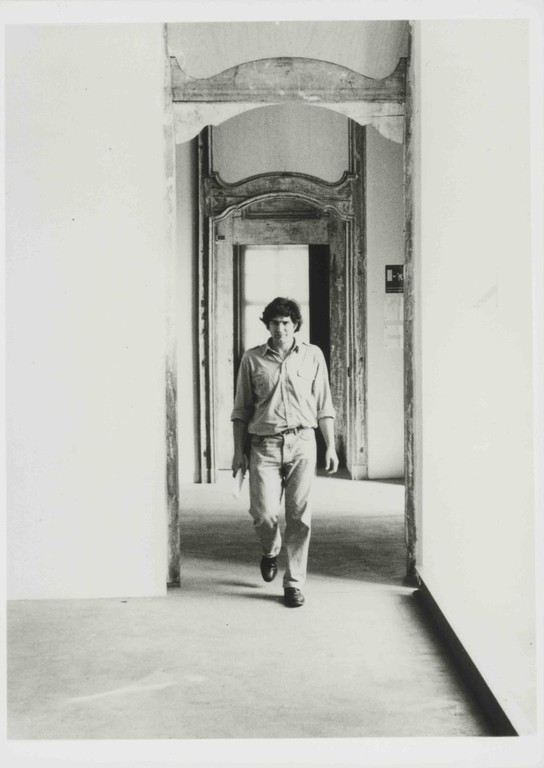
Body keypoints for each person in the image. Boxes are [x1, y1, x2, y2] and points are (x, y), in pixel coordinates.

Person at [231, 296, 339, 608]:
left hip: (303, 443)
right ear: (267, 325)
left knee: (299, 517)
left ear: (295, 325)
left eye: (286, 323)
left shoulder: (312, 355)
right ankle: (270, 550)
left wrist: (330, 446)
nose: (280, 328)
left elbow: (324, 405)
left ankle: (294, 583)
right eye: (275, 323)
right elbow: (241, 410)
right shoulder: (252, 359)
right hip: (264, 445)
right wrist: (238, 451)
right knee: (263, 514)